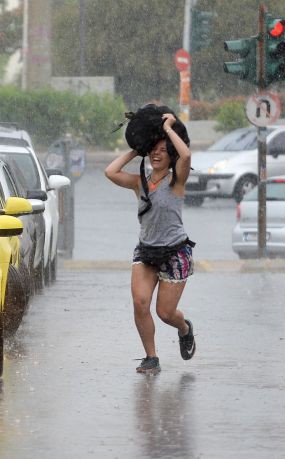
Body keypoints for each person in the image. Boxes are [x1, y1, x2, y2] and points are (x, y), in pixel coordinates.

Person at [105, 112, 196, 374]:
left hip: (175, 253)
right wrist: (137, 150)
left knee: (165, 313)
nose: (156, 154)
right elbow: (110, 171)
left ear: (170, 156)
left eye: (161, 151)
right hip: (146, 252)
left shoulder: (176, 181)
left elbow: (186, 156)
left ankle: (185, 328)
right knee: (140, 303)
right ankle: (151, 357)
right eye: (153, 150)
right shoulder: (139, 183)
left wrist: (168, 128)